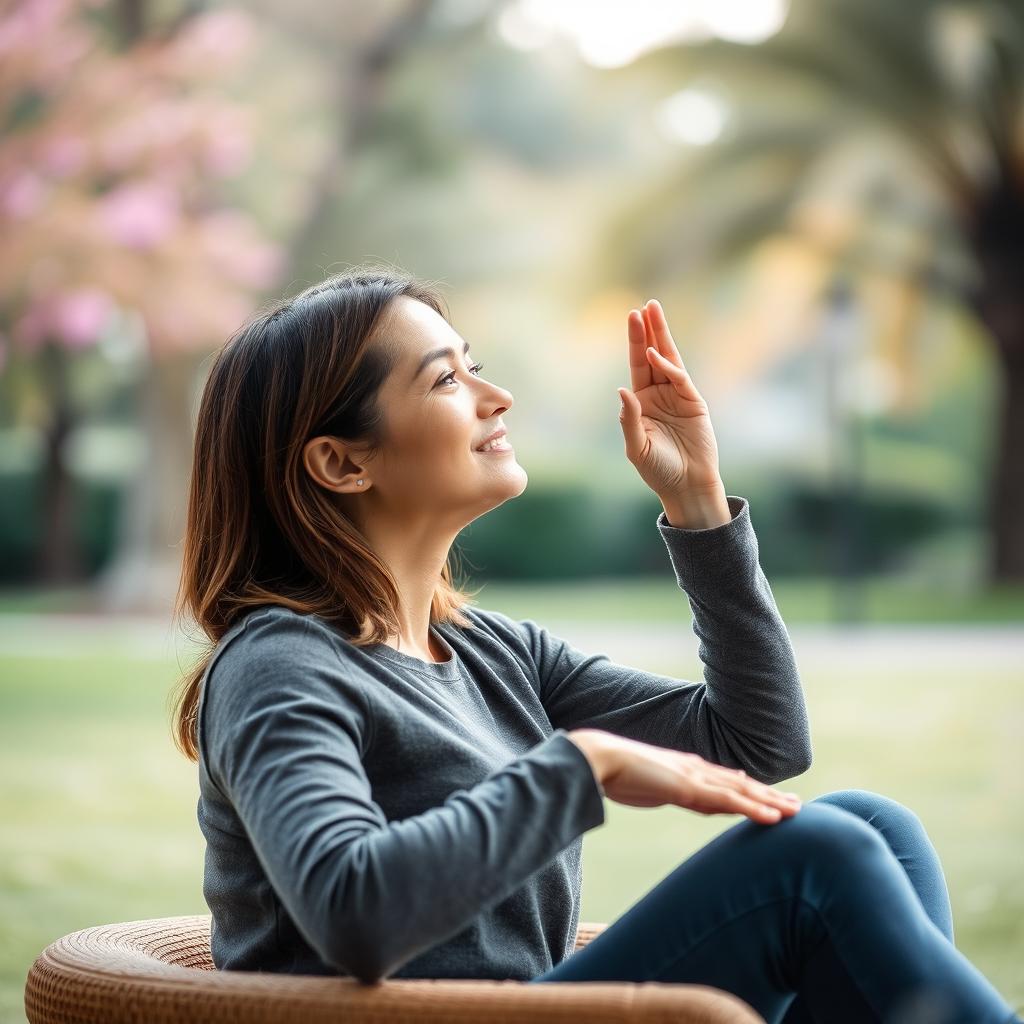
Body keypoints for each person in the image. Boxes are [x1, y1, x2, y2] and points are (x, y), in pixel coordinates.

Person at [172, 266, 1021, 1024]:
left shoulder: (491, 653)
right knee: (820, 854)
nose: (494, 394)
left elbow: (761, 745)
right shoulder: (278, 665)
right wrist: (583, 766)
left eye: (473, 363)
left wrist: (699, 505)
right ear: (341, 463)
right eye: (445, 381)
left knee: (872, 824)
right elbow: (352, 911)